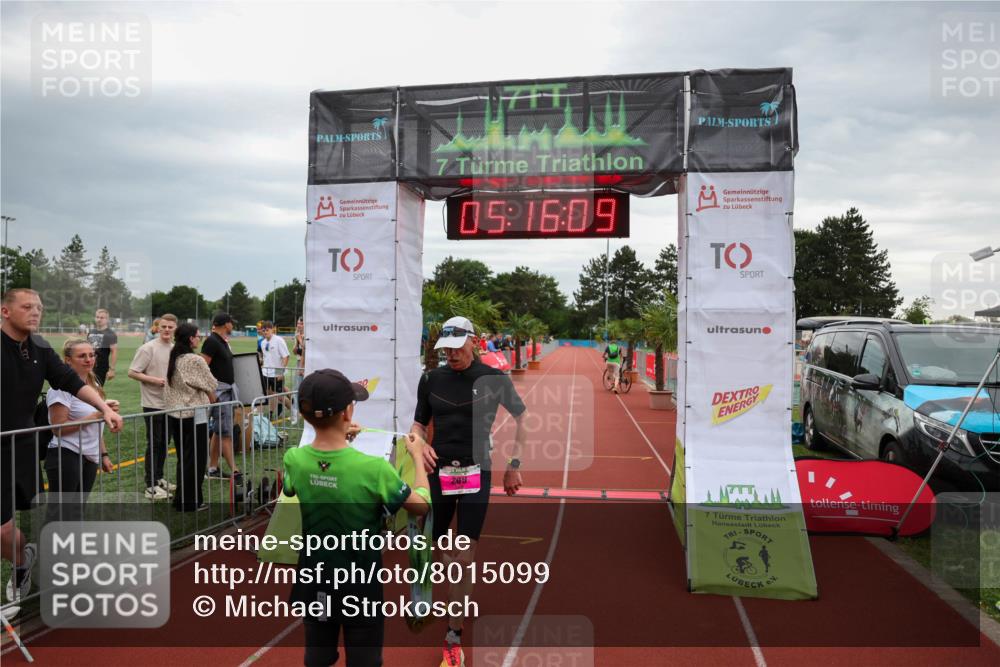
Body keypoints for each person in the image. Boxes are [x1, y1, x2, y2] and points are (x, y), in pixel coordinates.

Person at [283, 369, 430, 667]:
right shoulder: (375, 469)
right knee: (364, 659)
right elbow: (421, 505)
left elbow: (308, 477)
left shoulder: (294, 459)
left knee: (318, 656)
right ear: (348, 412)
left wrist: (339, 439)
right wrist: (417, 456)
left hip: (316, 581)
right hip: (359, 585)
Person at [409, 316, 527, 667]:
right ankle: (459, 583)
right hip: (439, 471)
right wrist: (418, 443)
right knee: (438, 548)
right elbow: (418, 423)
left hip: (479, 471)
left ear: (474, 342)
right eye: (447, 349)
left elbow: (522, 417)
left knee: (464, 555)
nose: (453, 354)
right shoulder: (431, 379)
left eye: (459, 347)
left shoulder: (493, 378)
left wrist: (514, 465)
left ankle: (453, 634)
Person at [1, 288, 123, 608]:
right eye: (27, 306)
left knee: (14, 525)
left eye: (39, 307)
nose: (35, 312)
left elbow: (73, 382)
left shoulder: (40, 347)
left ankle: (24, 562)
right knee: (4, 528)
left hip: (22, 448)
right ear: (5, 311)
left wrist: (104, 409)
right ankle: (25, 564)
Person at [45, 339, 117, 520]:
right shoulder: (59, 388)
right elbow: (58, 429)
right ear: (68, 360)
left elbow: (96, 427)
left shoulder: (94, 386)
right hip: (66, 454)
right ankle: (45, 547)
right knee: (60, 512)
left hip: (89, 457)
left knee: (77, 511)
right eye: (82, 356)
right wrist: (96, 416)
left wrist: (104, 454)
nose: (89, 359)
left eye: (92, 355)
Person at [163, 323, 217, 512]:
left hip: (176, 413)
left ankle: (182, 499)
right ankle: (192, 501)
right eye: (197, 336)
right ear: (190, 338)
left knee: (184, 458)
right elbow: (211, 383)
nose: (199, 339)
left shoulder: (175, 356)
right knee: (196, 459)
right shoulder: (194, 360)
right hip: (193, 413)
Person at [128, 313, 178, 501]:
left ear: (175, 329)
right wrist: (154, 380)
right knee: (154, 443)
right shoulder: (148, 348)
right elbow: (132, 372)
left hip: (170, 404)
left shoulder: (174, 349)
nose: (166, 330)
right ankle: (150, 485)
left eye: (170, 327)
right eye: (163, 326)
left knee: (164, 443)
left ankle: (158, 478)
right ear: (157, 328)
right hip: (152, 404)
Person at [201, 313, 239, 481]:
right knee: (225, 432)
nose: (233, 326)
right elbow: (202, 367)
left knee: (218, 431)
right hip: (220, 393)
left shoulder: (221, 341)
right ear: (226, 324)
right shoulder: (211, 341)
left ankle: (213, 468)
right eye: (232, 323)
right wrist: (211, 392)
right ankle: (235, 470)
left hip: (225, 392)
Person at [259, 321, 290, 418]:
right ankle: (271, 413)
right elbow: (265, 357)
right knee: (269, 394)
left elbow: (286, 356)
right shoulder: (263, 343)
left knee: (280, 396)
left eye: (267, 330)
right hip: (266, 373)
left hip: (277, 373)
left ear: (272, 329)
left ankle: (293, 410)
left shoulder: (279, 340)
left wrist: (280, 372)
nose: (265, 332)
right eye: (263, 330)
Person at [87, 308, 118, 386]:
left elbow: (114, 352)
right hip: (88, 365)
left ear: (107, 319)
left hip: (101, 367)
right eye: (97, 317)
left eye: (102, 317)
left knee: (96, 390)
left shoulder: (111, 334)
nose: (99, 319)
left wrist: (112, 370)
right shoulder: (91, 332)